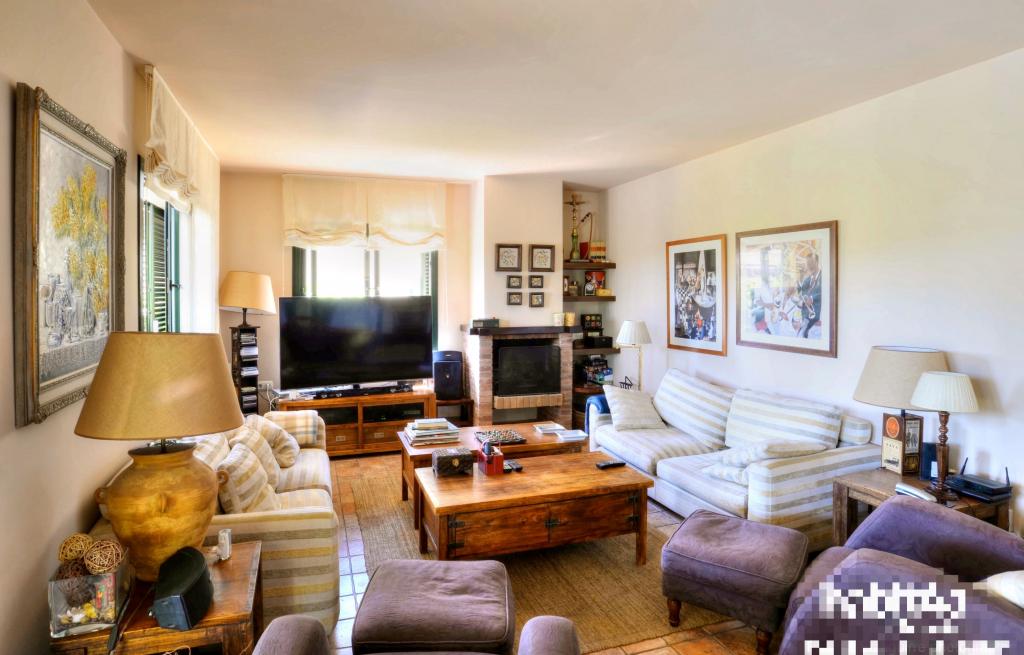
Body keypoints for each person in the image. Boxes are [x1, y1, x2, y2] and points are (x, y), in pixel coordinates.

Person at [797, 253, 822, 338]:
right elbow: (801, 293)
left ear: (817, 262)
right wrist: (800, 278)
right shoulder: (807, 279)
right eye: (807, 263)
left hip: (819, 319)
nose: (809, 266)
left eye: (811, 262)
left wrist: (812, 298)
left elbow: (825, 292)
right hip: (806, 318)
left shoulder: (824, 276)